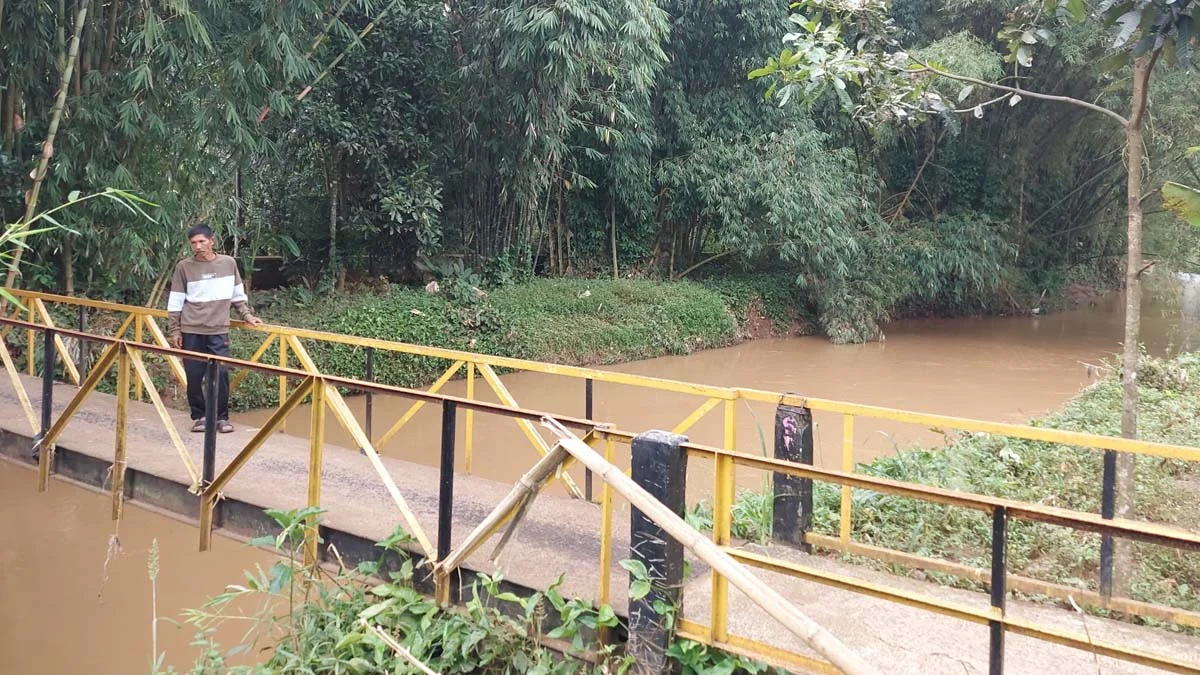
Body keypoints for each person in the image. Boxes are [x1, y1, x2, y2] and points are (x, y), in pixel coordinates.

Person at [166, 224, 263, 433]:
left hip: (218, 330)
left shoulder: (228, 264)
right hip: (191, 329)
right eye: (193, 243)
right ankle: (199, 416)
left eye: (202, 241)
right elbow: (175, 302)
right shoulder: (184, 267)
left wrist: (247, 316)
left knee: (221, 375)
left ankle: (221, 418)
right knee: (193, 375)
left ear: (212, 241)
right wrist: (174, 331)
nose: (198, 246)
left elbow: (238, 297)